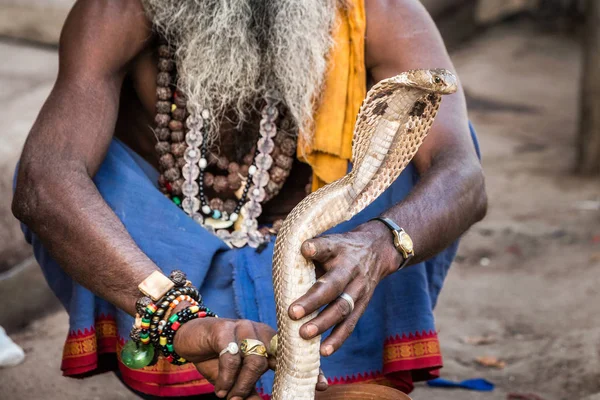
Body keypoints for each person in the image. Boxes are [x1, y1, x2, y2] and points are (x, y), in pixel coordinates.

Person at [12, 0, 487, 399]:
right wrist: (177, 318)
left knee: (420, 157)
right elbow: (44, 181)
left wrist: (381, 244)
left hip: (324, 272)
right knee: (69, 169)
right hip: (175, 273)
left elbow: (462, 175)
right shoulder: (119, 9)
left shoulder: (379, 10)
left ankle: (339, 377)